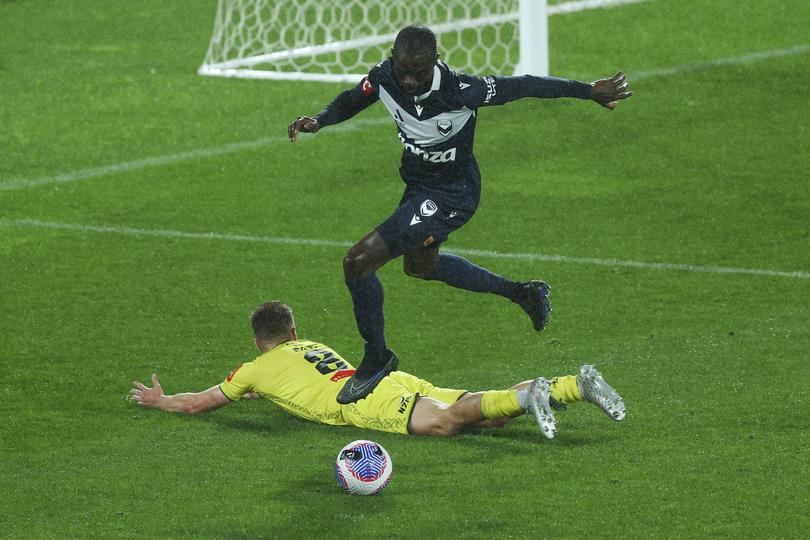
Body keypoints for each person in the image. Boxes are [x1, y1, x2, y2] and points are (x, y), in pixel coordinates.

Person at [288, 25, 633, 404]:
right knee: (420, 267)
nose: (409, 80)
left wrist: (586, 91)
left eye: (418, 71)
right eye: (403, 69)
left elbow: (526, 85)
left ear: (435, 61)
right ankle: (523, 293)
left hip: (452, 194)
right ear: (393, 58)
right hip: (418, 188)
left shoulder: (461, 90)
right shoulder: (384, 76)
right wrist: (320, 119)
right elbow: (354, 98)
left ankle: (376, 356)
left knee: (357, 262)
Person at [129, 301, 626, 439]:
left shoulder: (253, 369)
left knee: (449, 423)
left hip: (365, 404)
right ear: (294, 329)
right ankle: (573, 385)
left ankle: (530, 395)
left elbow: (198, 403)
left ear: (258, 343)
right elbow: (293, 385)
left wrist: (159, 399)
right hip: (387, 380)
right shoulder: (312, 346)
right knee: (485, 415)